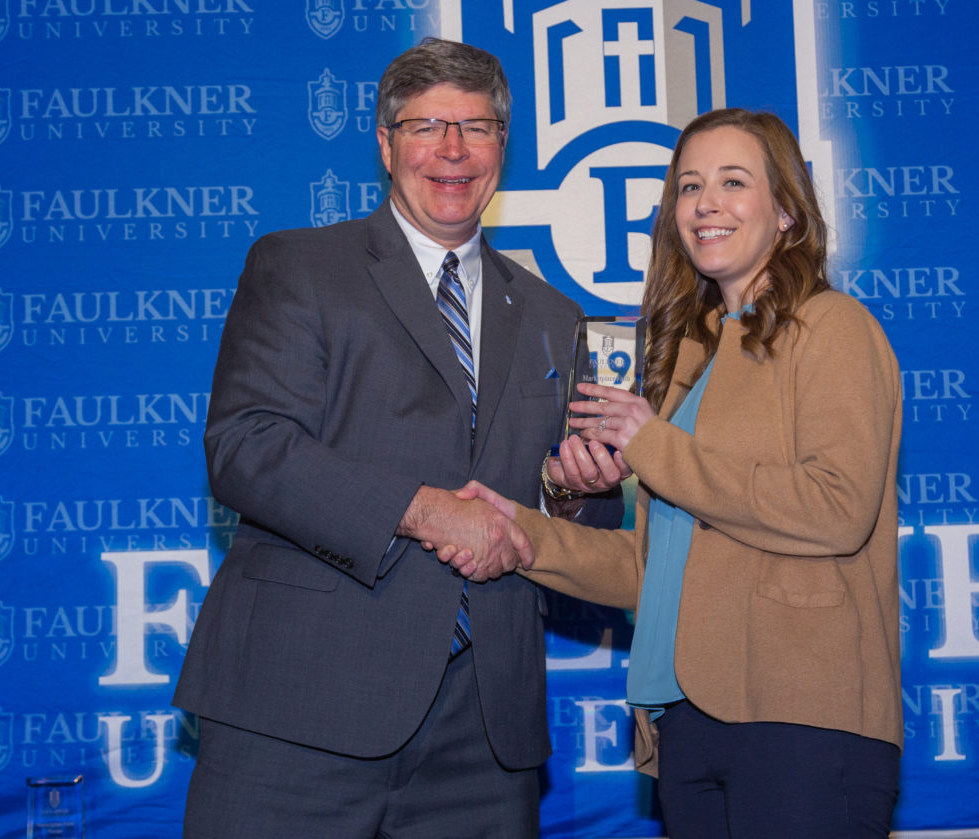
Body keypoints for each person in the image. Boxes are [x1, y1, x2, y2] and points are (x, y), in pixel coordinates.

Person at [174, 37, 618, 839]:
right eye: (426, 127)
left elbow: (576, 518)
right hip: (301, 708)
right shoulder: (300, 266)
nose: (453, 150)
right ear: (385, 144)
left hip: (483, 733)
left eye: (476, 127)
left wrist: (574, 492)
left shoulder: (555, 316)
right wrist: (421, 509)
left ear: (502, 147)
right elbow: (246, 444)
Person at [447, 109, 904, 837]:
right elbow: (652, 567)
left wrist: (654, 445)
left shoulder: (832, 327)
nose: (705, 203)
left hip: (800, 716)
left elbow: (838, 508)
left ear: (786, 210)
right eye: (689, 186)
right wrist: (520, 532)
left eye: (732, 181)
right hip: (685, 722)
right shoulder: (693, 359)